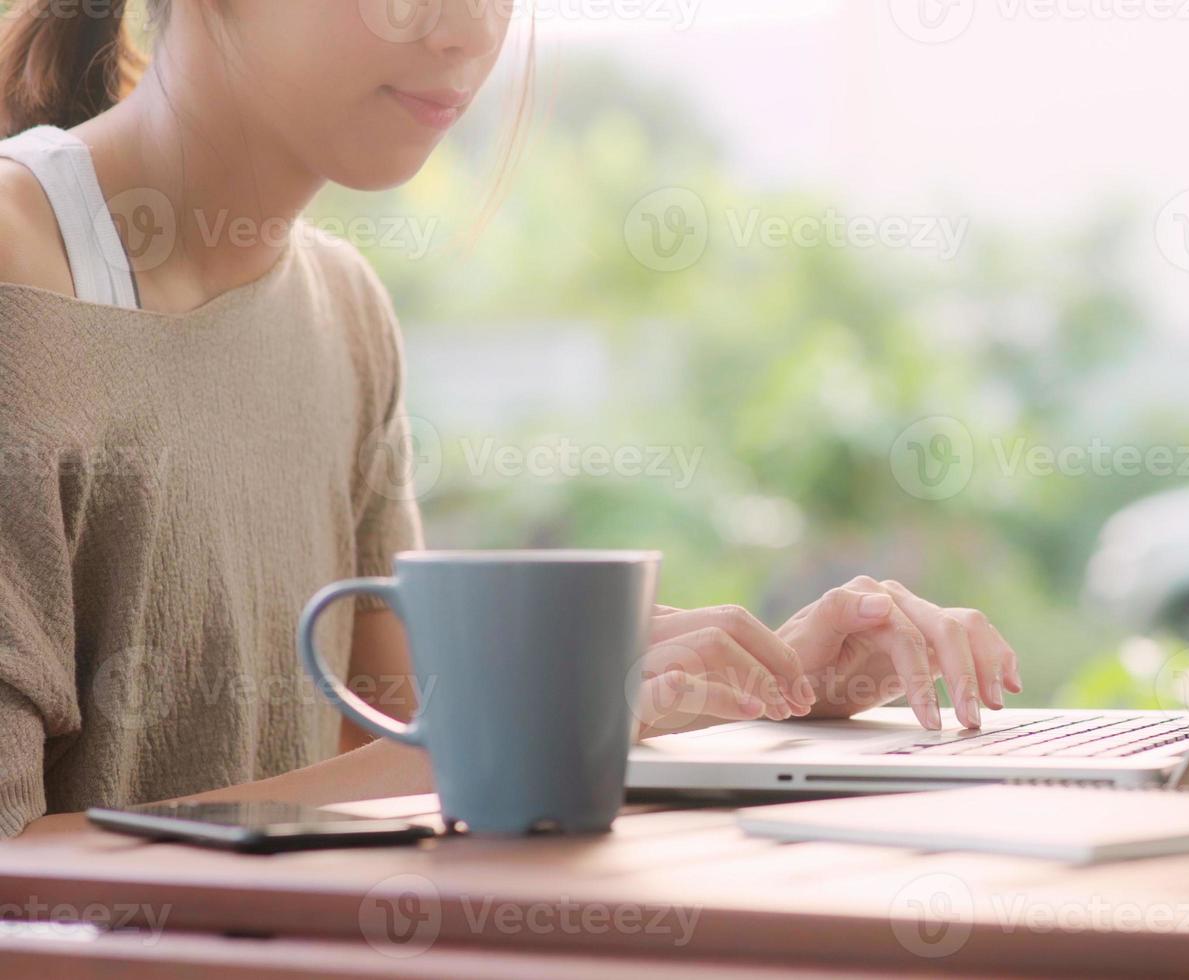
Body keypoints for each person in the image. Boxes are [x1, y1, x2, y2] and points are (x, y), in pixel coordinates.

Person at [0, 0, 1021, 838]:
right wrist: (499, 729)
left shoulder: (344, 312)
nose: (465, 34)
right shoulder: (20, 279)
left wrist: (764, 678)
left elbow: (403, 749)